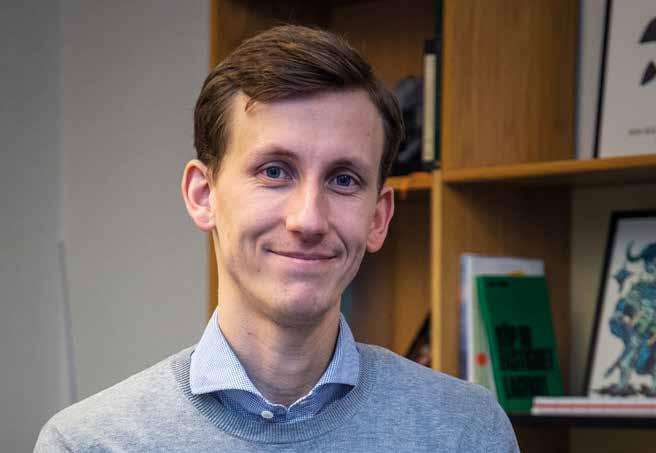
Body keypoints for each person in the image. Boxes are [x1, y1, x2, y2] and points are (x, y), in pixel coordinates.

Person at [35, 25, 519, 452]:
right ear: (203, 195)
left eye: (343, 179)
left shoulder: (465, 432)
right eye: (274, 171)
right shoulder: (89, 443)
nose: (308, 219)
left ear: (378, 217)